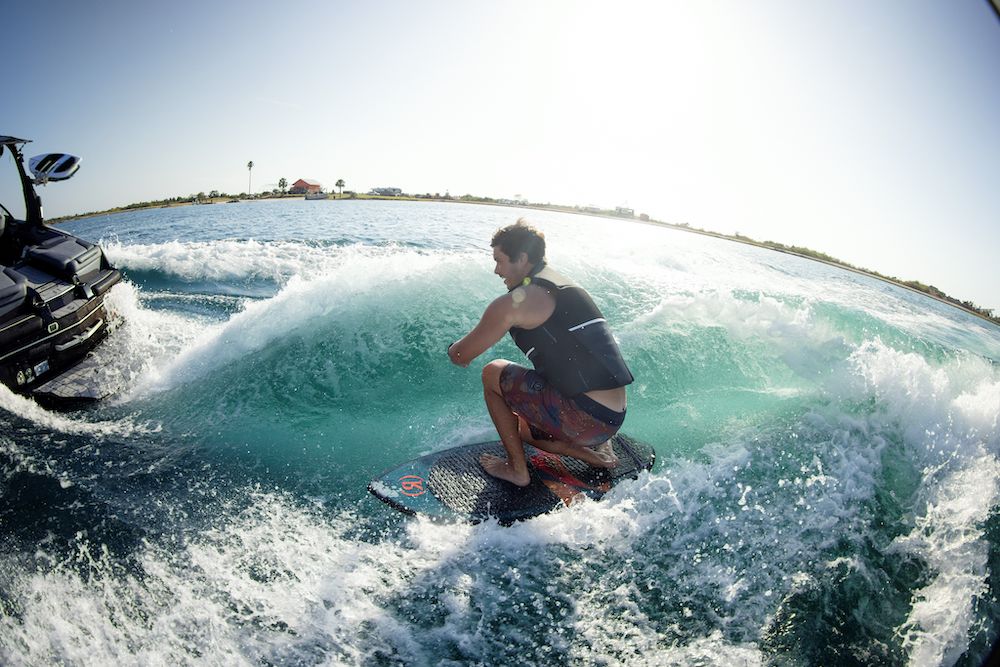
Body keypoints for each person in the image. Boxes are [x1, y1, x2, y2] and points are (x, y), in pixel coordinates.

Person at [447, 219, 634, 486]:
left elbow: (460, 356)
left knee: (492, 372)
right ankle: (594, 453)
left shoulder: (516, 301)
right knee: (522, 428)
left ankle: (517, 471)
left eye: (499, 261)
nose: (496, 270)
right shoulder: (566, 285)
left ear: (522, 258)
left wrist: (453, 349)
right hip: (613, 419)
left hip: (584, 418)